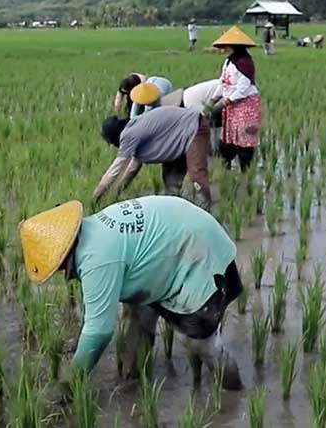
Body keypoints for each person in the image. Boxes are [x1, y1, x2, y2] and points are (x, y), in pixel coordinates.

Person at [18, 196, 244, 388]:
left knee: (200, 343)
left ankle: (233, 391)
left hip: (199, 250)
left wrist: (73, 382)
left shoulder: (97, 259)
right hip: (176, 239)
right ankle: (134, 379)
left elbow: (98, 331)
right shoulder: (91, 232)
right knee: (139, 314)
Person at [95, 106, 212, 209]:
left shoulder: (129, 134)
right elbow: (132, 168)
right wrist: (117, 192)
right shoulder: (135, 131)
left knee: (196, 173)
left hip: (194, 126)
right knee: (170, 179)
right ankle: (175, 210)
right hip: (177, 137)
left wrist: (95, 196)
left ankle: (205, 211)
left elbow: (115, 169)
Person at [209, 26, 261, 171]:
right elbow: (223, 82)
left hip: (245, 105)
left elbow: (244, 87)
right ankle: (226, 168)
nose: (225, 49)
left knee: (245, 139)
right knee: (228, 138)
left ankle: (246, 170)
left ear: (234, 46)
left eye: (227, 46)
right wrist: (215, 98)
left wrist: (228, 100)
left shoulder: (245, 62)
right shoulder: (228, 62)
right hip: (231, 106)